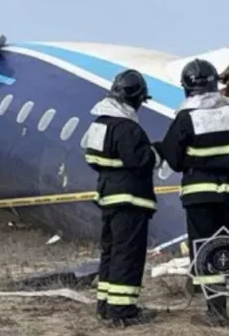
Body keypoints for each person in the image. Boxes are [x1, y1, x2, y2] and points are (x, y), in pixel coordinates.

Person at [155, 58, 229, 327]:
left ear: (187, 87)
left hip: (199, 195)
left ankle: (217, 312)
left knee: (207, 250)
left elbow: (174, 159)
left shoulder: (186, 118)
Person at [84, 69, 159, 327]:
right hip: (129, 200)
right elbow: (140, 161)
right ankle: (123, 311)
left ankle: (105, 305)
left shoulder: (99, 124)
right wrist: (156, 153)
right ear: (136, 98)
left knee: (111, 252)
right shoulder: (128, 128)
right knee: (128, 254)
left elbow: (91, 158)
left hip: (108, 197)